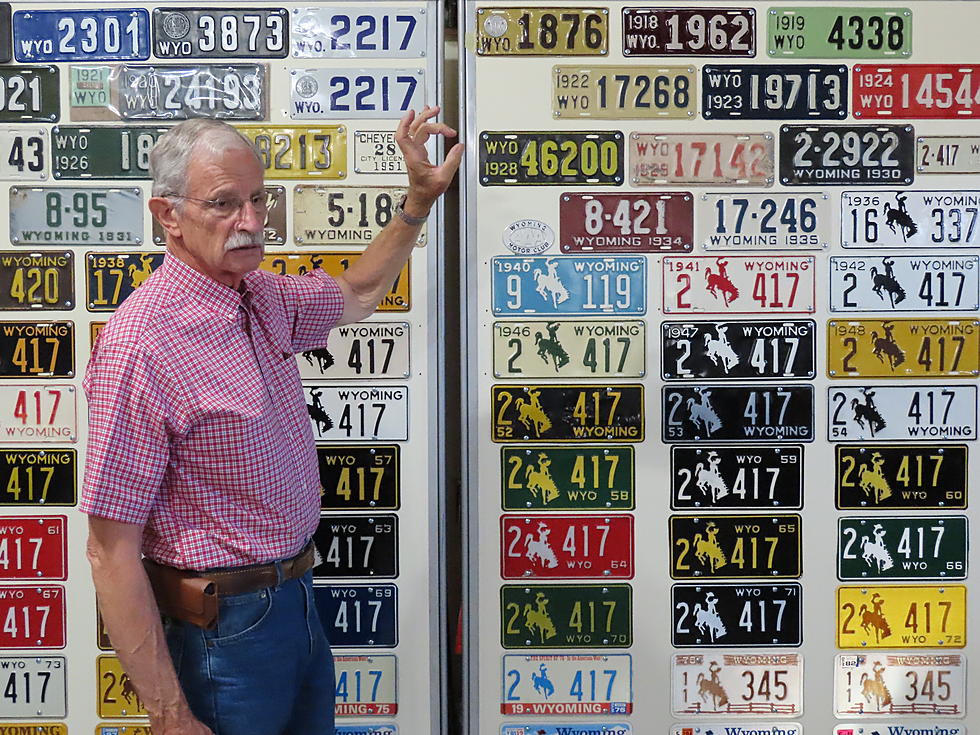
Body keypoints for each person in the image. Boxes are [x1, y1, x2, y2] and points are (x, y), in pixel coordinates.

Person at [81, 107, 463, 735]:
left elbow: (360, 292)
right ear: (167, 215)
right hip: (220, 633)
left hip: (298, 601)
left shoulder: (263, 294)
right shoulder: (141, 345)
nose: (252, 223)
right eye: (224, 204)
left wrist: (417, 204)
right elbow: (110, 550)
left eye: (259, 199)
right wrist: (170, 716)